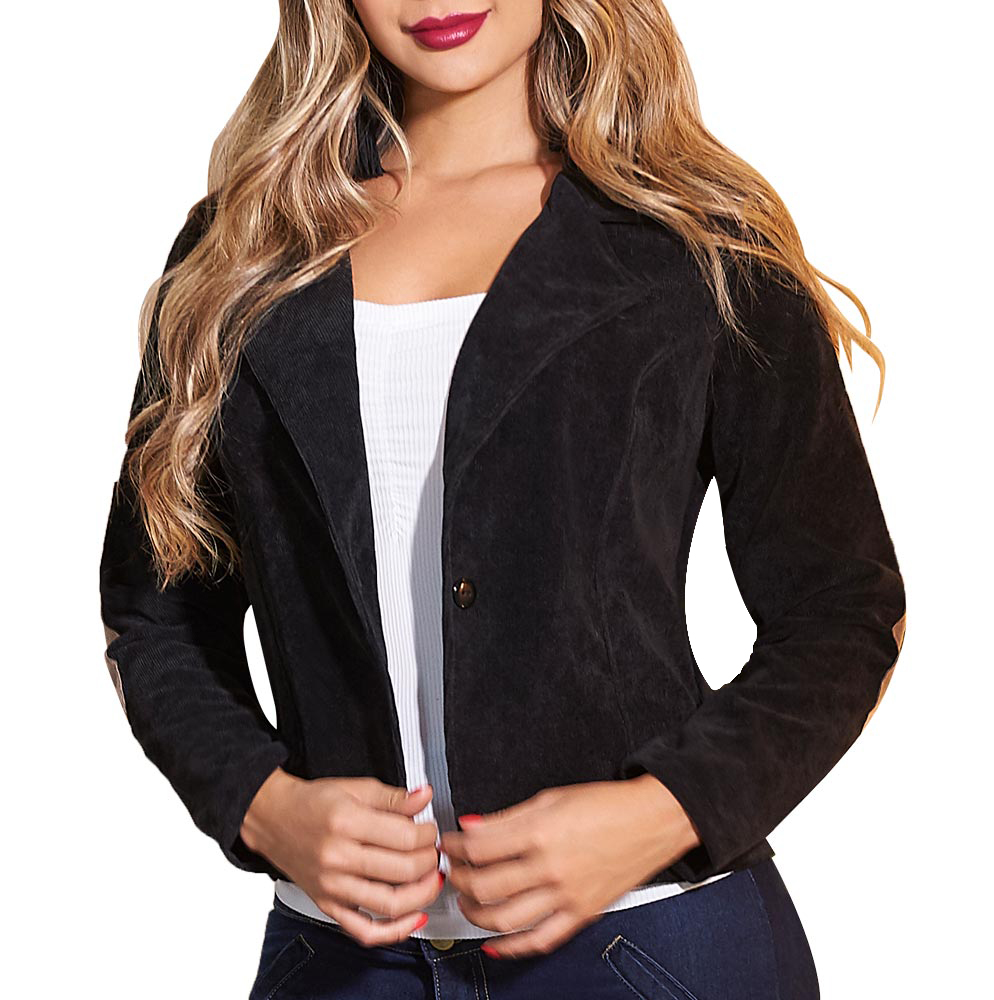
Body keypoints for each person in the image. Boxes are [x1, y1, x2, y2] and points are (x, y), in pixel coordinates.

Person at [98, 2, 907, 997]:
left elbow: (842, 613)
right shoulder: (241, 253)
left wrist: (662, 812)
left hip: (649, 945)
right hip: (339, 962)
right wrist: (263, 805)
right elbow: (156, 617)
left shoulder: (692, 238)